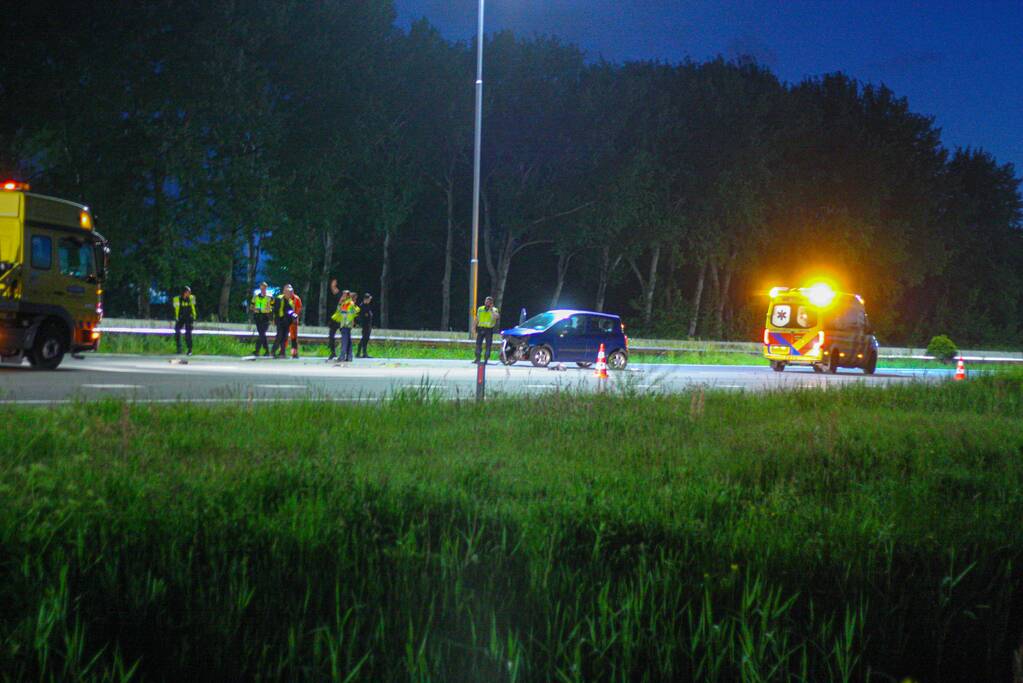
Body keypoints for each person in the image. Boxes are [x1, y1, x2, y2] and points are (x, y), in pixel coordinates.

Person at [271, 285, 298, 358]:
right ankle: (273, 352)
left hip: (287, 322)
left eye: (290, 292)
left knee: (285, 337)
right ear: (284, 292)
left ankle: (282, 353)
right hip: (280, 321)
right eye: (288, 292)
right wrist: (273, 319)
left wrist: (294, 315)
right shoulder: (279, 299)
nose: (289, 294)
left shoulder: (291, 301)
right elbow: (275, 310)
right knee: (279, 336)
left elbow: (290, 311)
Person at [332, 291, 360, 362]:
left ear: (347, 296)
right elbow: (339, 311)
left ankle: (342, 356)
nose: (342, 296)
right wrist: (340, 302)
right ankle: (349, 356)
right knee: (348, 341)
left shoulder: (349, 304)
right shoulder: (346, 304)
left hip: (345, 325)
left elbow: (351, 314)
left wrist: (348, 322)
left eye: (344, 295)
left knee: (344, 341)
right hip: (345, 324)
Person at [473, 296, 500, 364]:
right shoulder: (480, 309)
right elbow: (477, 318)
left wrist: (491, 310)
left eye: (489, 302)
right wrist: (474, 327)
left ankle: (486, 359)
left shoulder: (494, 310)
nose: (487, 303)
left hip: (489, 329)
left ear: (491, 303)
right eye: (486, 301)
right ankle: (477, 358)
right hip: (481, 328)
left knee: (488, 345)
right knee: (478, 344)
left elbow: (496, 317)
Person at [250, 282, 273, 356]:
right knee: (262, 334)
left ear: (266, 288)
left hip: (266, 317)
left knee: (262, 334)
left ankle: (257, 351)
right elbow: (251, 306)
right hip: (258, 317)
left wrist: (271, 316)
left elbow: (273, 307)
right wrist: (255, 309)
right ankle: (266, 351)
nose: (263, 289)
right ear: (260, 288)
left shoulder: (269, 297)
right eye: (262, 288)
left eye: (264, 288)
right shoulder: (256, 297)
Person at [172, 286, 197, 355]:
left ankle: (190, 350)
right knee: (177, 331)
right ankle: (179, 348)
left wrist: (194, 317)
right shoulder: (176, 299)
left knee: (188, 333)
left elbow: (193, 308)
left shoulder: (192, 298)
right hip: (180, 317)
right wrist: (176, 317)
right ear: (183, 293)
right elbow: (176, 309)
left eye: (189, 292)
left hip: (189, 317)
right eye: (187, 292)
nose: (189, 294)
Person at [326, 280, 346, 360]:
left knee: (345, 336)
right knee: (331, 336)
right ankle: (333, 352)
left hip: (342, 320)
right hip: (334, 319)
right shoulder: (337, 296)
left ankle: (344, 353)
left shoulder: (345, 300)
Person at [284, 289, 303, 358]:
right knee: (284, 335)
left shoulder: (296, 299)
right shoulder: (284, 298)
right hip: (286, 320)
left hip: (293, 320)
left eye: (291, 292)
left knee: (294, 337)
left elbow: (299, 308)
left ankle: (294, 352)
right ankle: (282, 351)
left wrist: (295, 315)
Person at [356, 293, 373, 358]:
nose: (370, 300)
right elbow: (362, 316)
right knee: (364, 338)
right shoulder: (362, 306)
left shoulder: (367, 305)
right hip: (365, 325)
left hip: (368, 324)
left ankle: (363, 352)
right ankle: (361, 353)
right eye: (369, 299)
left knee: (365, 338)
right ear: (366, 299)